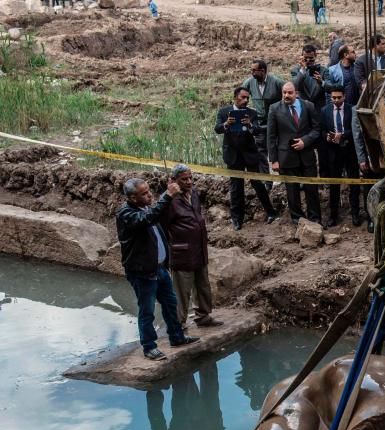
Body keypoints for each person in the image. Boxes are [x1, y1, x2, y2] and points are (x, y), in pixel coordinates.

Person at [116, 178, 200, 361]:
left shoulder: (146, 208)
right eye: (144, 193)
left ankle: (177, 337)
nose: (149, 195)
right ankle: (149, 347)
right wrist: (168, 196)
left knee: (171, 304)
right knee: (146, 310)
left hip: (160, 269)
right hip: (143, 272)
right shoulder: (126, 214)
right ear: (132, 198)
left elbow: (156, 219)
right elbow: (147, 219)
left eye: (149, 191)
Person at [158, 165, 222, 329]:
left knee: (202, 285)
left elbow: (197, 215)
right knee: (181, 291)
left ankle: (203, 316)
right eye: (184, 179)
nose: (189, 182)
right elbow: (163, 229)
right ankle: (179, 323)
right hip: (181, 251)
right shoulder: (168, 200)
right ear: (173, 181)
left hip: (199, 248)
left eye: (190, 178)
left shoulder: (193, 193)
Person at [215, 86, 278, 229]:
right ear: (235, 97)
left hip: (249, 154)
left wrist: (249, 124)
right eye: (243, 97)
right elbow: (217, 129)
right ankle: (237, 219)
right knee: (236, 187)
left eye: (247, 98)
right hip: (232, 155)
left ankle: (270, 212)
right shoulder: (224, 112)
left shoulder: (251, 113)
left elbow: (257, 130)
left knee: (257, 184)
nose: (245, 100)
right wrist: (226, 124)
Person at [267, 82, 322, 223]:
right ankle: (298, 220)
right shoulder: (274, 109)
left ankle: (315, 219)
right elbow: (271, 136)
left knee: (311, 189)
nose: (286, 95)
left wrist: (305, 141)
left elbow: (316, 129)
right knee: (292, 191)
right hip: (286, 157)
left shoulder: (308, 106)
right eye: (284, 92)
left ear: (296, 93)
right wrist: (274, 160)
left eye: (290, 93)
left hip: (307, 155)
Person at [319, 87, 362, 228]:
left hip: (350, 151)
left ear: (344, 96)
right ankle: (333, 215)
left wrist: (343, 135)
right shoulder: (325, 111)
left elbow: (356, 130)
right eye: (333, 97)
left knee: (354, 183)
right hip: (333, 152)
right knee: (334, 185)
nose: (336, 100)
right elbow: (322, 129)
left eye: (339, 97)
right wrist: (327, 136)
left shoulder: (352, 109)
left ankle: (355, 213)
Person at [241, 61, 285, 173]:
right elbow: (240, 96)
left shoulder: (276, 82)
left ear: (263, 71)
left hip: (276, 123)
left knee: (280, 149)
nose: (252, 72)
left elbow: (289, 95)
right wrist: (247, 111)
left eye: (254, 70)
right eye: (251, 70)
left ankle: (284, 177)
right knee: (260, 152)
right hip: (259, 124)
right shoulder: (249, 83)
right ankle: (266, 182)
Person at [291, 44, 327, 112]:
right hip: (302, 109)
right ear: (302, 57)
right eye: (306, 58)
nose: (308, 60)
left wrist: (321, 82)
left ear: (315, 56)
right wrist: (302, 70)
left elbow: (329, 87)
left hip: (319, 109)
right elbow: (295, 86)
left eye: (311, 58)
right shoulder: (296, 70)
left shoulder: (324, 70)